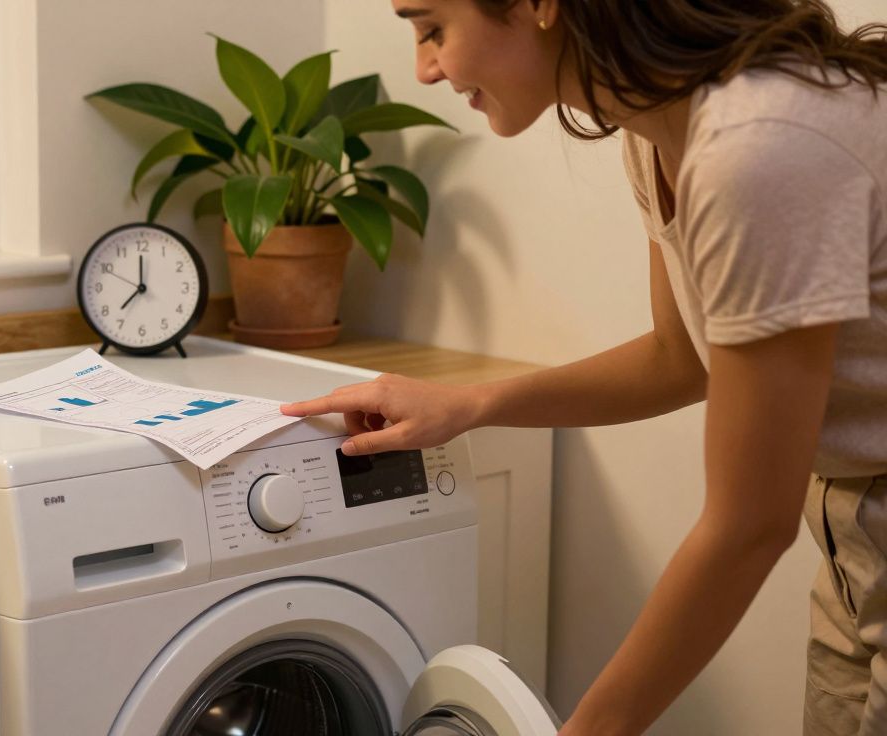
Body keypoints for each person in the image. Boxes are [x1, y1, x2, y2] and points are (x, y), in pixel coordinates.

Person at [279, 1, 887, 733]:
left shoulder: (757, 148)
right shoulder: (659, 130)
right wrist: (469, 404)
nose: (425, 67)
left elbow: (749, 525)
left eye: (433, 28)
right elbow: (682, 359)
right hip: (853, 545)